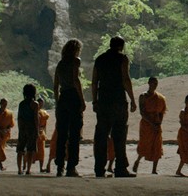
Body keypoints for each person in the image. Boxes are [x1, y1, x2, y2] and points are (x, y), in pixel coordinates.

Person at [92, 35, 137, 178]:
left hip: (103, 101)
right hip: (118, 101)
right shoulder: (122, 59)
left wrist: (94, 101)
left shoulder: (99, 59)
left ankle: (99, 169)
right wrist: (132, 99)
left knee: (101, 136)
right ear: (121, 46)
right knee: (119, 136)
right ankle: (120, 168)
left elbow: (94, 82)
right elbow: (125, 79)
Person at [52, 38, 87, 177]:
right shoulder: (75, 61)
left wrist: (57, 102)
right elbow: (75, 80)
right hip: (73, 97)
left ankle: (59, 166)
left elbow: (56, 86)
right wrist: (82, 100)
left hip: (63, 98)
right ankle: (71, 167)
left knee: (61, 134)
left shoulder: (60, 64)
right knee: (74, 134)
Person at [132, 76, 167, 174]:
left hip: (157, 123)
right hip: (146, 124)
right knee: (145, 143)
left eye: (156, 83)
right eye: (153, 83)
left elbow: (162, 112)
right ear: (149, 83)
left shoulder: (161, 98)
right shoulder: (143, 96)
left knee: (157, 144)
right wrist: (151, 123)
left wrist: (159, 123)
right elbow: (142, 113)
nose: (154, 85)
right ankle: (137, 161)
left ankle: (154, 169)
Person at [16, 84, 41, 175]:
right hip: (31, 128)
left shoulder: (21, 104)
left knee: (20, 149)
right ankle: (28, 170)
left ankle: (19, 169)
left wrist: (20, 128)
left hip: (23, 127)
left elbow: (19, 118)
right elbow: (36, 118)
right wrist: (37, 130)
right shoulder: (35, 104)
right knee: (30, 149)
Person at [0, 98, 15, 171]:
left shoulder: (9, 114)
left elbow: (11, 124)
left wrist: (6, 130)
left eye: (5, 104)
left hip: (4, 134)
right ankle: (1, 165)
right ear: (0, 104)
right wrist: (0, 130)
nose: (4, 105)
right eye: (3, 103)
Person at [35, 97, 49, 173]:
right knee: (32, 150)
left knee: (41, 151)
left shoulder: (44, 113)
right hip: (34, 132)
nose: (41, 105)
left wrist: (45, 133)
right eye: (40, 103)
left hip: (41, 133)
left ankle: (41, 168)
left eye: (42, 104)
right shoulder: (33, 112)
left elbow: (44, 125)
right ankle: (26, 167)